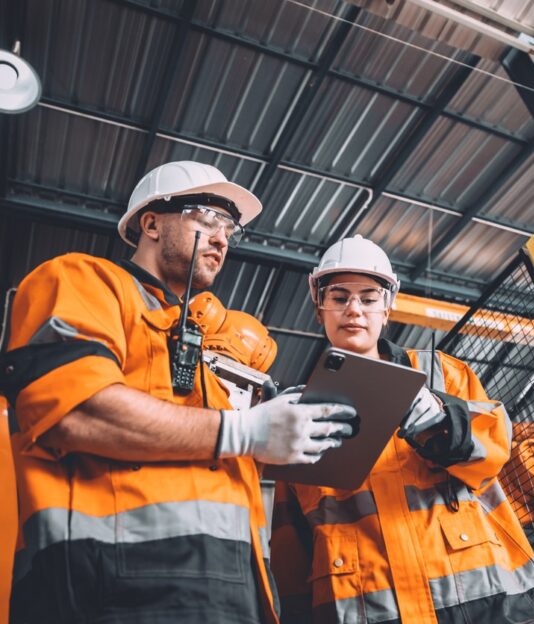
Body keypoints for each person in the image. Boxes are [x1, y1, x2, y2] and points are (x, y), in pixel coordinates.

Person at [0, 161, 356, 624]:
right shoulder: (83, 282)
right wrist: (244, 431)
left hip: (234, 589)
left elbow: (222, 450)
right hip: (110, 587)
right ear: (151, 223)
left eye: (229, 227)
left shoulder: (213, 346)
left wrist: (287, 436)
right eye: (206, 219)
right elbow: (77, 409)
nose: (221, 238)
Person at [270, 235, 534, 623]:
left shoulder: (442, 374)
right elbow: (291, 547)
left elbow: (494, 450)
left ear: (387, 307)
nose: (354, 309)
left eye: (369, 298)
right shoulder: (299, 417)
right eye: (339, 297)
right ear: (320, 308)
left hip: (483, 606)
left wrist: (442, 420)